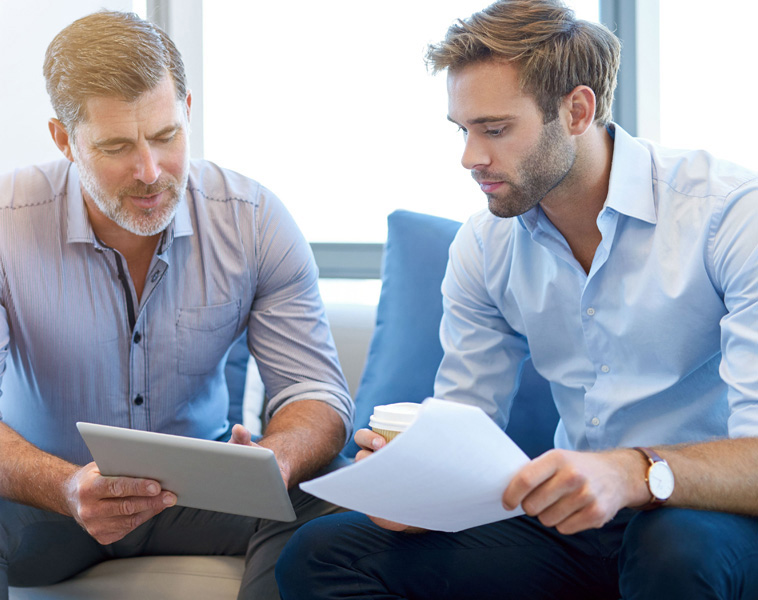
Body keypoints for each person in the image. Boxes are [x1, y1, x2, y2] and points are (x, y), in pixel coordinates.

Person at [275, 1, 758, 599]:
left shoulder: (728, 214)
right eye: (464, 129)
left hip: (707, 517)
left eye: (495, 129)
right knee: (322, 553)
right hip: (576, 528)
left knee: (673, 550)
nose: (470, 157)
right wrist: (414, 485)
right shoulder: (485, 243)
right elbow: (466, 421)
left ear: (577, 110)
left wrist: (631, 471)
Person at [0, 10, 352, 600]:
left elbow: (316, 394)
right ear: (64, 138)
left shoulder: (254, 219)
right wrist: (65, 487)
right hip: (49, 500)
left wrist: (275, 459)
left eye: (166, 136)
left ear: (187, 109)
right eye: (115, 146)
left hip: (202, 497)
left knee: (335, 494)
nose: (149, 171)